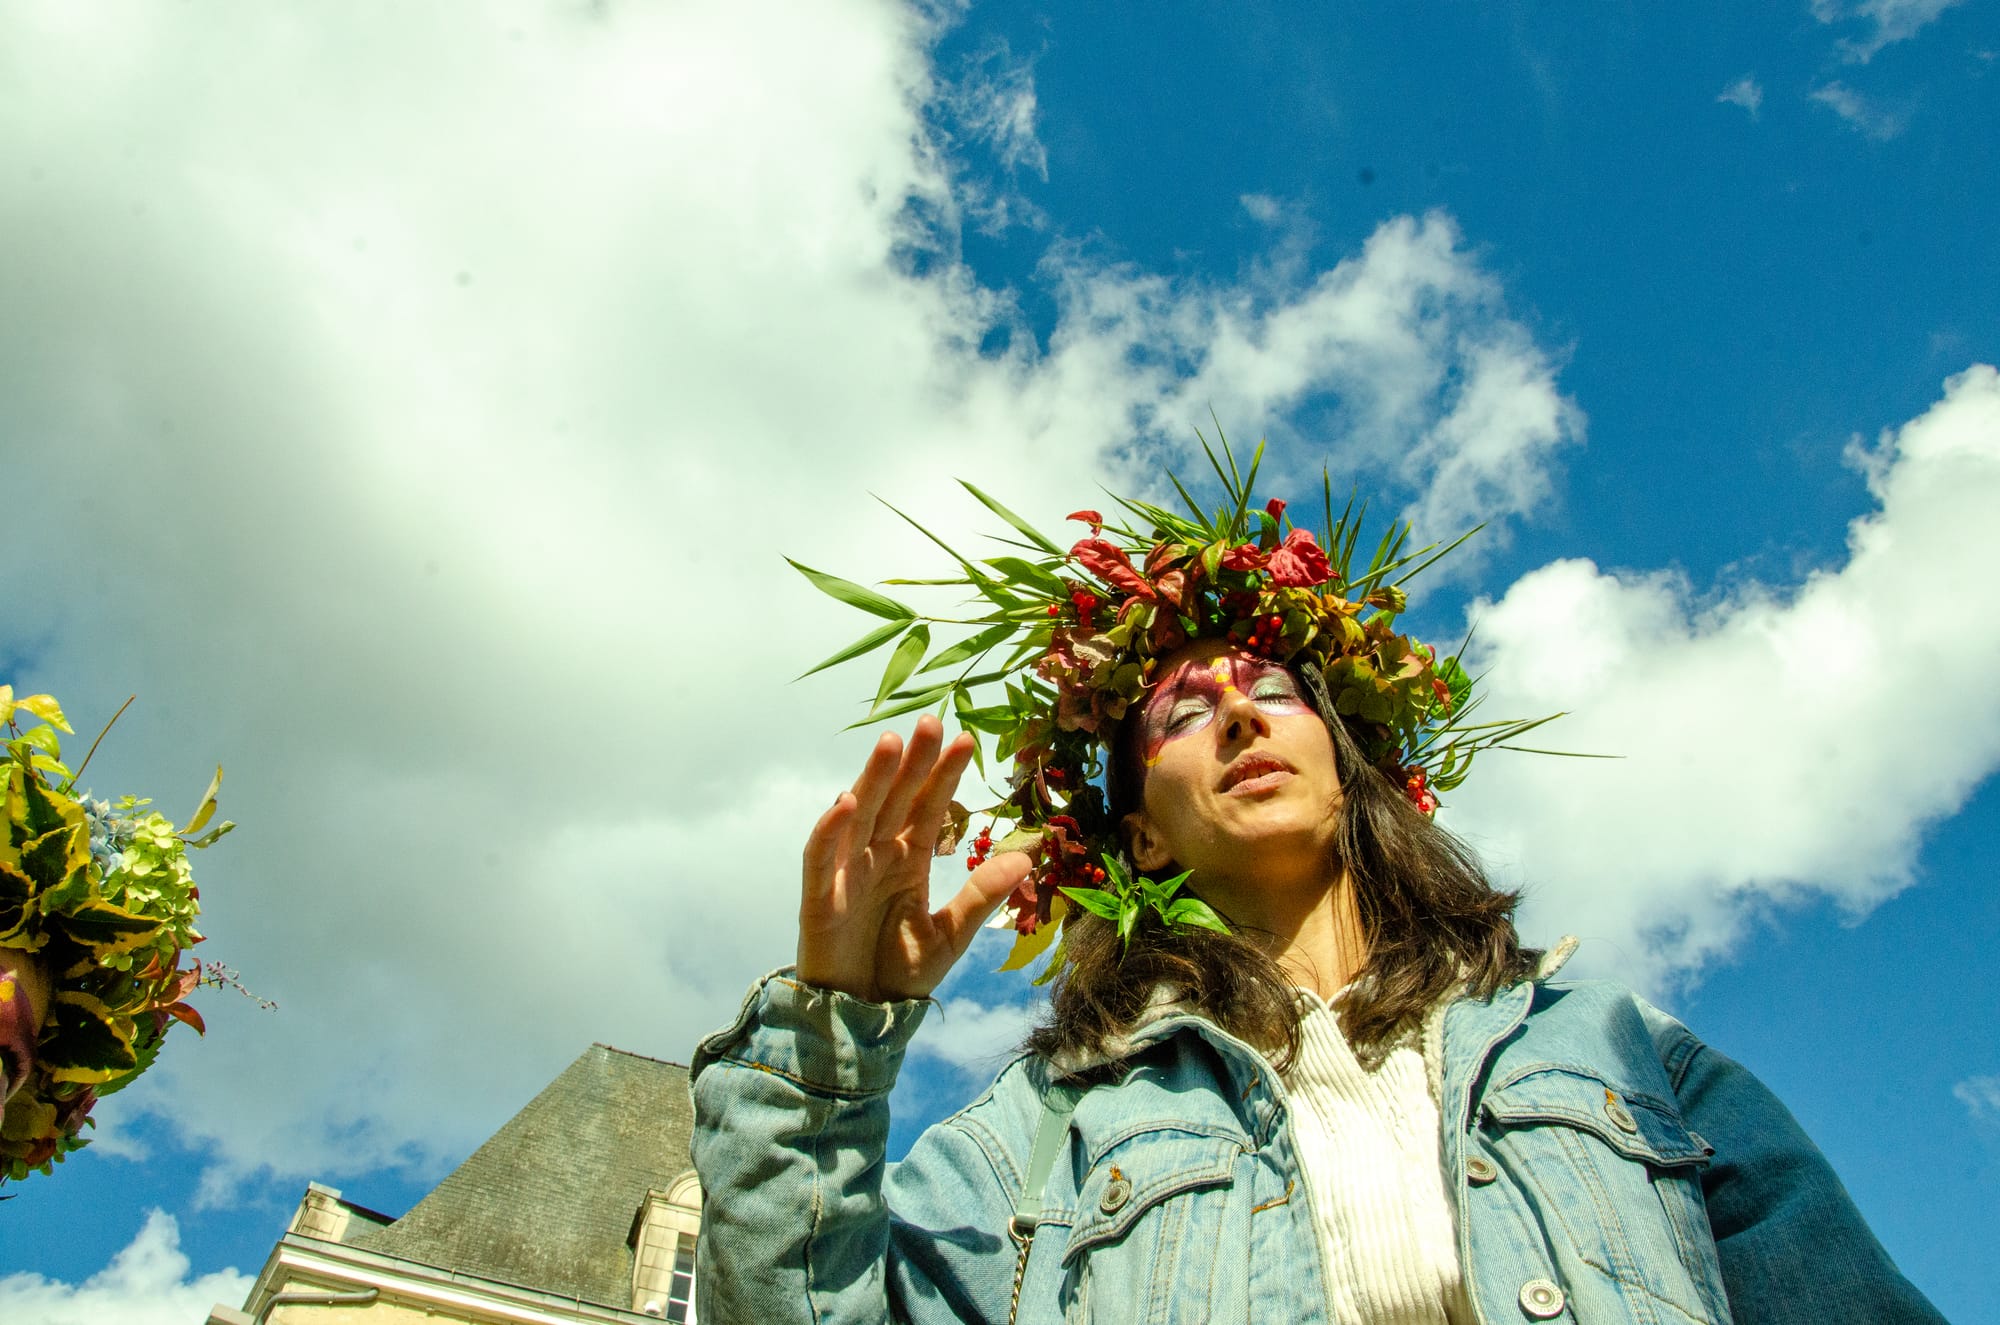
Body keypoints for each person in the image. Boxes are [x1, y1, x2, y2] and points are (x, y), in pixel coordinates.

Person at [690, 463, 1945, 1323]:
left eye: (1274, 688)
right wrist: (825, 1059)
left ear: (1350, 765)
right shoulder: (1045, 1122)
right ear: (1135, 828)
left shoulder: (1612, 1046)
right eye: (1180, 709)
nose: (1235, 707)